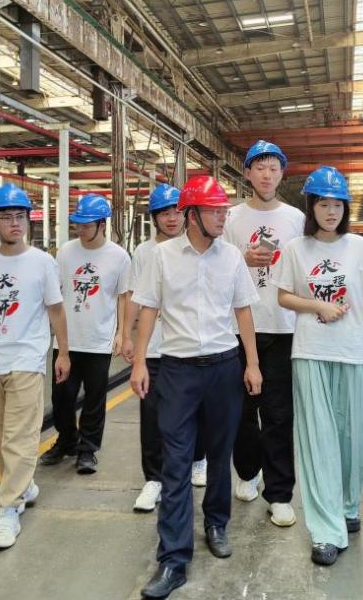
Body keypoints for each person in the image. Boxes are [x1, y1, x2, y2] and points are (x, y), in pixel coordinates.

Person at [130, 175, 263, 599]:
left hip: (224, 368)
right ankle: (173, 558)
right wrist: (139, 361)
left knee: (220, 454)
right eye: (215, 211)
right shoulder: (162, 257)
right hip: (177, 370)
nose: (223, 217)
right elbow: (148, 309)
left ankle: (217, 523)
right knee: (176, 460)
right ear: (192, 215)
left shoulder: (232, 258)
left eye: (224, 210)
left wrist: (252, 364)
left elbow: (243, 311)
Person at [274, 166, 363, 567]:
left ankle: (347, 506)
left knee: (351, 439)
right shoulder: (296, 249)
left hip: (350, 353)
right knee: (318, 442)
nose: (331, 212)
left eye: (337, 205)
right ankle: (326, 531)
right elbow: (283, 296)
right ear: (311, 207)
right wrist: (318, 305)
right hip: (310, 351)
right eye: (323, 204)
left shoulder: (358, 247)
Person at [0, 183, 70, 550]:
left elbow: (56, 310)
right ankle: (23, 486)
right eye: (6, 217)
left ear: (28, 221)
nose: (15, 223)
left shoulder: (42, 262)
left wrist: (63, 353)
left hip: (27, 359)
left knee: (19, 437)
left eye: (20, 216)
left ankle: (8, 509)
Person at [225, 140, 304, 527]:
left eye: (274, 168)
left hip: (283, 327)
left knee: (279, 414)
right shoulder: (230, 217)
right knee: (242, 410)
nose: (267, 175)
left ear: (281, 173)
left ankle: (280, 494)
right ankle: (246, 472)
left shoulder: (296, 218)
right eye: (260, 168)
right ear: (248, 173)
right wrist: (243, 258)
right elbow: (216, 263)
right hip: (240, 328)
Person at [121, 183, 208, 512]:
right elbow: (134, 296)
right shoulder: (144, 253)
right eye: (164, 213)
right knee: (152, 415)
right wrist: (126, 335)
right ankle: (154, 479)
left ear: (187, 215)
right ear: (154, 218)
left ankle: (198, 459)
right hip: (155, 349)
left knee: (196, 411)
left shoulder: (197, 248)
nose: (171, 218)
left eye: (176, 212)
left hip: (189, 347)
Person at [41, 194, 130, 475]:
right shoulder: (66, 252)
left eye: (86, 225)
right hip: (66, 340)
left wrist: (121, 333)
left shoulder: (119, 256)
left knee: (94, 398)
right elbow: (55, 294)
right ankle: (67, 440)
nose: (80, 230)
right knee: (61, 397)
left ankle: (88, 449)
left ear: (102, 224)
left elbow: (124, 297)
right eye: (77, 225)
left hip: (99, 340)